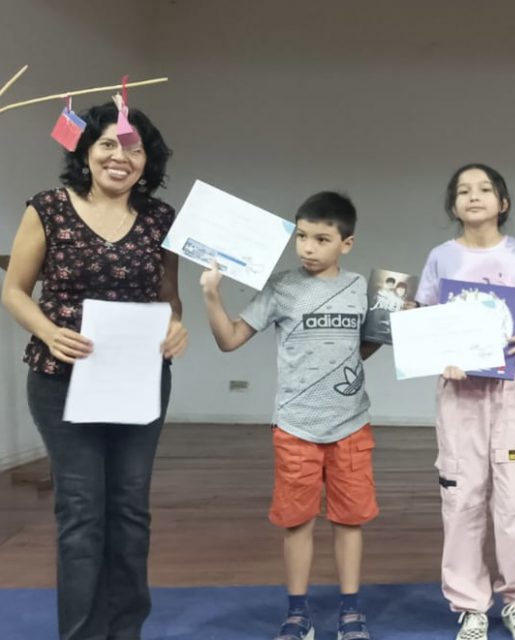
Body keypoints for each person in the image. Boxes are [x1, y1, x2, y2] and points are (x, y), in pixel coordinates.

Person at [1, 101, 187, 640]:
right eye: (108, 143)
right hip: (61, 381)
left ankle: (126, 631)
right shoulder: (48, 208)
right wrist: (46, 330)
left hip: (140, 381)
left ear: (147, 162)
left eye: (133, 148)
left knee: (130, 513)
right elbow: (14, 290)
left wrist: (176, 325)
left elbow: (168, 299)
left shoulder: (161, 219)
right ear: (85, 150)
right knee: (81, 516)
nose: (120, 156)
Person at [201, 192, 380, 640]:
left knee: (349, 520)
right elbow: (229, 340)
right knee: (297, 521)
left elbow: (368, 343)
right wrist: (210, 294)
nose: (308, 247)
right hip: (295, 427)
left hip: (351, 426)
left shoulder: (363, 289)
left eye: (322, 238)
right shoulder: (281, 287)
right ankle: (297, 612)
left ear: (347, 243)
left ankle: (351, 610)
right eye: (301, 236)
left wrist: (395, 325)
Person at [415, 163, 515, 640]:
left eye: (485, 189)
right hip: (459, 396)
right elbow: (425, 322)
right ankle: (470, 604)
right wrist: (440, 352)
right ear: (453, 206)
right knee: (462, 498)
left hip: (512, 391)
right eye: (463, 191)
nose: (474, 196)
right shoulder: (441, 258)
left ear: (503, 202)